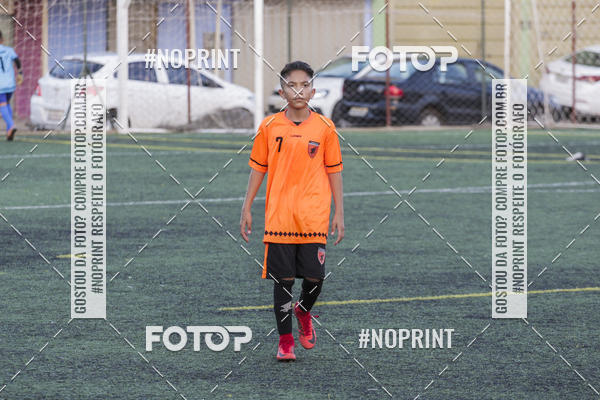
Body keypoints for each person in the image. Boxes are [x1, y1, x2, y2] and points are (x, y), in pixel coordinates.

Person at [240, 61, 345, 361]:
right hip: (280, 217)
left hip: (314, 217)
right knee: (283, 281)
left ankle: (303, 311)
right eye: (291, 85)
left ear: (313, 91)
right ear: (281, 92)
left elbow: (334, 170)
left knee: (315, 279)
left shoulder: (325, 128)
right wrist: (246, 207)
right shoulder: (269, 126)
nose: (298, 90)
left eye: (304, 85)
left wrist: (339, 212)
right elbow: (258, 168)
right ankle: (285, 341)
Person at [0, 30, 22, 141]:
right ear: (2, 40)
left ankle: (11, 125)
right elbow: (17, 61)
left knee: (2, 104)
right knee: (7, 103)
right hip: (10, 83)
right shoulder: (9, 50)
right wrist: (20, 73)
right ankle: (9, 132)